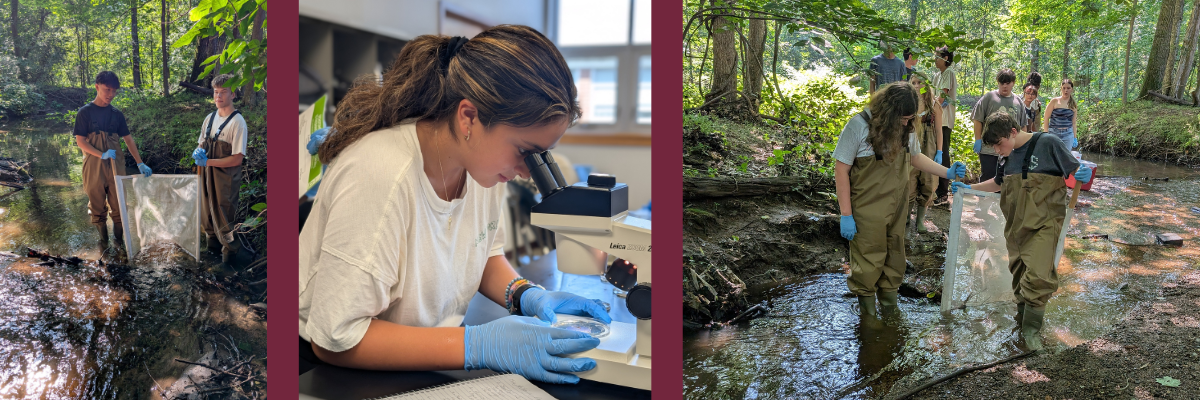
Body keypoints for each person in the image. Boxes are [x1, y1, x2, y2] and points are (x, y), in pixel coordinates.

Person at [297, 25, 610, 384]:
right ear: (469, 117)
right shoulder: (380, 175)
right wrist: (478, 345)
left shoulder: (480, 167)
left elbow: (482, 251)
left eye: (542, 156)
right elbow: (336, 338)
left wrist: (525, 294)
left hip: (429, 353)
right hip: (335, 370)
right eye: (525, 151)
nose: (528, 171)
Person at [950, 111, 1091, 351]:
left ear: (1013, 132)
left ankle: (1031, 333)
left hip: (1045, 225)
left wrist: (1083, 175)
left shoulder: (1048, 143)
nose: (996, 150)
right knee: (1020, 280)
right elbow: (999, 183)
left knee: (1038, 277)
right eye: (993, 147)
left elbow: (1076, 174)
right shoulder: (1006, 156)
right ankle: (1021, 323)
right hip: (1015, 228)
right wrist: (969, 188)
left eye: (998, 144)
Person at [835, 81, 967, 323]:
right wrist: (846, 214)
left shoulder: (906, 129)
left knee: (894, 259)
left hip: (897, 210)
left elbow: (915, 158)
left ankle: (890, 310)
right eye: (904, 118)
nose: (907, 123)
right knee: (867, 262)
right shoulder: (858, 126)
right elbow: (841, 170)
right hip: (866, 210)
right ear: (888, 112)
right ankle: (869, 318)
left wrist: (946, 172)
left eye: (910, 119)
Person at [73, 71, 153, 255]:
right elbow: (81, 141)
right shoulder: (84, 113)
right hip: (93, 166)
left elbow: (128, 140)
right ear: (97, 87)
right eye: (107, 89)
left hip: (116, 166)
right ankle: (103, 244)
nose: (110, 94)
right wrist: (101, 154)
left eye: (114, 91)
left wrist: (140, 163)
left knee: (119, 206)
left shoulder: (117, 115)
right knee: (97, 206)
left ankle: (119, 244)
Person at [191, 74, 250, 265]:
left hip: (226, 179)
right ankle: (211, 252)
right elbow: (201, 143)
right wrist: (198, 151)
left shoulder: (237, 122)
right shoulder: (209, 118)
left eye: (223, 92)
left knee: (225, 219)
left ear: (233, 94)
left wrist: (207, 163)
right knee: (206, 213)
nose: (218, 96)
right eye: (216, 92)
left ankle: (228, 259)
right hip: (206, 176)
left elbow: (237, 159)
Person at [907, 73, 941, 233]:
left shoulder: (934, 106)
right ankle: (906, 217)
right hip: (911, 147)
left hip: (929, 147)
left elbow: (939, 132)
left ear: (926, 85)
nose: (916, 85)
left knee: (928, 183)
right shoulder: (908, 105)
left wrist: (940, 152)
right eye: (913, 82)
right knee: (909, 182)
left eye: (919, 82)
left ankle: (920, 220)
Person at [932, 46, 957, 202]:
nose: (935, 59)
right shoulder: (937, 75)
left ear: (946, 58)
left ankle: (943, 192)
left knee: (943, 153)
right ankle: (934, 188)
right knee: (935, 151)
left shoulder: (948, 73)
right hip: (935, 118)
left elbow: (941, 97)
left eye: (938, 56)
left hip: (944, 120)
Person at [1043, 78, 1079, 150]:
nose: (1066, 90)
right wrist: (1046, 134)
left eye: (1068, 88)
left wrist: (1075, 137)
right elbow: (1046, 118)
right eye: (1064, 88)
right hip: (1054, 133)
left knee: (1065, 157)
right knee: (1053, 156)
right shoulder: (1055, 101)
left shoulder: (1073, 104)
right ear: (1061, 89)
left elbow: (1074, 123)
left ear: (1072, 89)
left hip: (1068, 134)